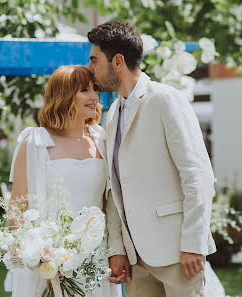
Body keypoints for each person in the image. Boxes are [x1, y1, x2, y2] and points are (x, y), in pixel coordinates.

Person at [87, 21, 219, 297]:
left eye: (94, 60)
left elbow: (198, 175)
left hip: (178, 254)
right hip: (136, 261)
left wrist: (193, 243)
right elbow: (114, 190)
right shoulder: (112, 114)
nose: (90, 69)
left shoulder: (165, 100)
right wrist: (118, 250)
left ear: (118, 61)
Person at [6, 65, 120, 297]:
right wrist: (41, 258)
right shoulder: (35, 142)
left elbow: (109, 204)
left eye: (95, 90)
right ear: (64, 95)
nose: (94, 97)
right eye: (84, 90)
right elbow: (17, 208)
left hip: (94, 259)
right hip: (48, 264)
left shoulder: (101, 140)